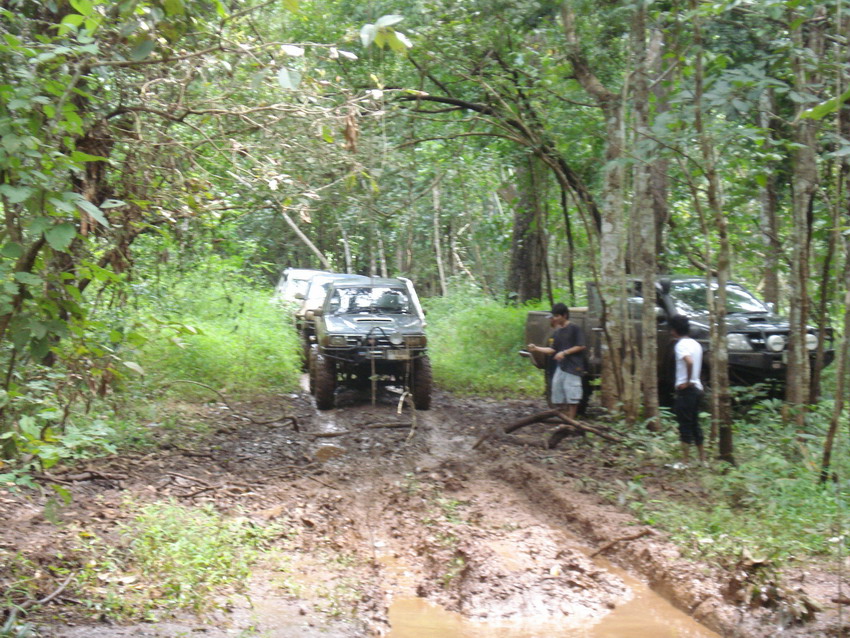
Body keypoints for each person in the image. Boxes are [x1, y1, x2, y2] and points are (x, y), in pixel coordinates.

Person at [527, 303, 586, 419]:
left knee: (572, 394)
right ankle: (563, 418)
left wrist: (564, 352)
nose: (555, 318)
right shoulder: (557, 332)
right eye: (554, 316)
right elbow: (552, 349)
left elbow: (581, 346)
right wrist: (536, 348)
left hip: (573, 367)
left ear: (564, 315)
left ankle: (571, 420)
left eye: (557, 316)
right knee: (557, 392)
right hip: (561, 367)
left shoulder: (574, 328)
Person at [669, 314, 705, 466]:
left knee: (685, 424)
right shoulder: (696, 344)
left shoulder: (681, 345)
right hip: (697, 389)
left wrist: (688, 382)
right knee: (695, 424)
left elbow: (689, 362)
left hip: (687, 390)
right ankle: (702, 460)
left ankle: (684, 461)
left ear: (674, 330)